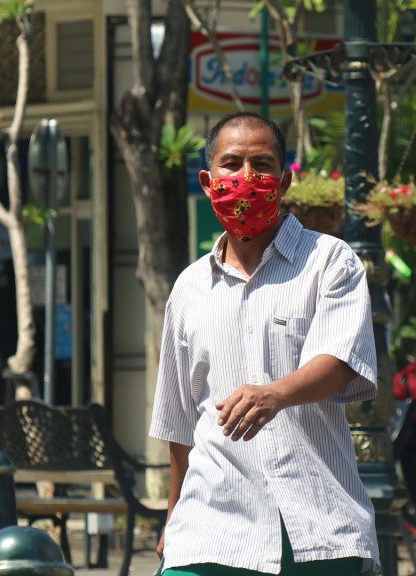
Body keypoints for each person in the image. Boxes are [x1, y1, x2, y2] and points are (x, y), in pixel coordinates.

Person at [149, 111, 380, 576]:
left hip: (319, 528)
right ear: (207, 179)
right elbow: (180, 422)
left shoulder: (330, 262)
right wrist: (173, 517)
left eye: (263, 163)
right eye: (231, 164)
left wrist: (274, 394)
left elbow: (338, 362)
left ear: (285, 179)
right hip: (209, 530)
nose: (246, 176)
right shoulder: (190, 288)